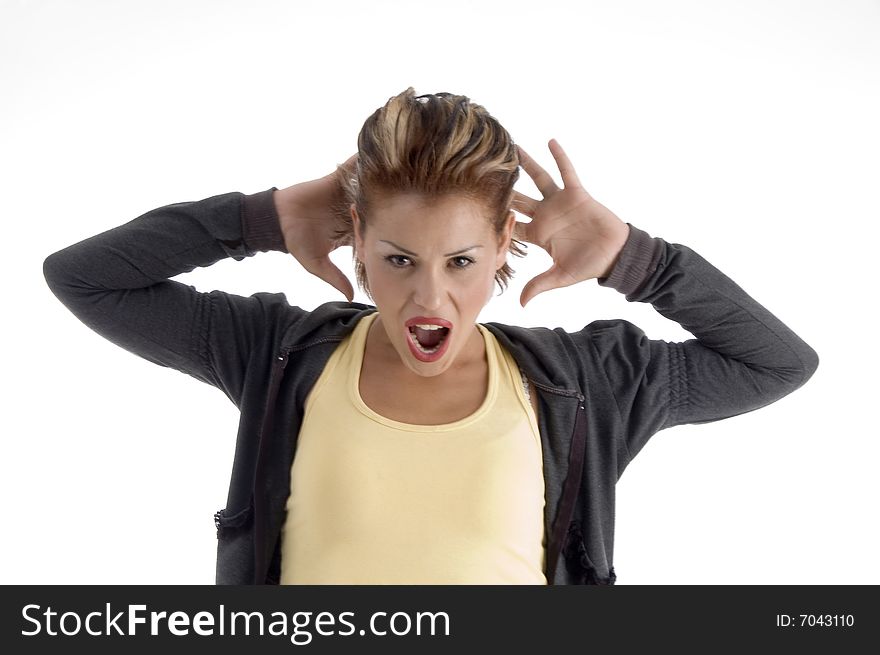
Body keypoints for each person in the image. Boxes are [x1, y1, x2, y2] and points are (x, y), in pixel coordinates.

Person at [43, 87, 818, 585]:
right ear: (356, 241)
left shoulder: (579, 385)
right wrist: (265, 217)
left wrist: (634, 260)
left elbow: (777, 363)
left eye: (461, 262)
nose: (429, 295)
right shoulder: (281, 358)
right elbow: (85, 277)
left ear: (504, 248)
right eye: (399, 259)